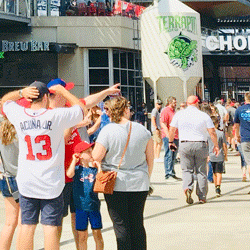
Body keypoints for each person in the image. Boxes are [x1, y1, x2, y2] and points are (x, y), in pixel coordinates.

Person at [0, 80, 120, 250]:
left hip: (27, 181)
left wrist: (20, 93)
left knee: (27, 225)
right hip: (51, 182)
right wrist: (64, 92)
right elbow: (81, 108)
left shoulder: (20, 115)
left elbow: (3, 102)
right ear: (46, 97)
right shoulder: (55, 116)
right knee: (50, 227)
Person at [90, 95, 153, 250]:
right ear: (126, 110)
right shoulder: (142, 130)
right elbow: (150, 159)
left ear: (109, 112)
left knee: (121, 225)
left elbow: (96, 156)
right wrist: (146, 177)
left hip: (116, 182)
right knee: (137, 224)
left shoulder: (108, 130)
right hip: (139, 182)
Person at [169, 94, 216, 204]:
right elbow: (212, 132)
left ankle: (188, 188)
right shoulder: (204, 116)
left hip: (185, 144)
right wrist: (216, 145)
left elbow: (172, 129)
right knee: (201, 171)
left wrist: (171, 141)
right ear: (196, 103)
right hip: (200, 144)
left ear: (187, 103)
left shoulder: (179, 114)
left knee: (187, 170)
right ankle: (202, 196)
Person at [66, 139, 104, 250]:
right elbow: (69, 174)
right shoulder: (77, 170)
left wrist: (99, 167)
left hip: (94, 206)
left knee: (97, 233)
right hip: (80, 207)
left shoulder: (94, 170)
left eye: (90, 150)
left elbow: (101, 182)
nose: (91, 153)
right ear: (80, 155)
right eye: (87, 152)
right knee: (82, 236)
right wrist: (74, 160)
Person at [0, 116, 21, 250]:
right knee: (24, 223)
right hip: (20, 178)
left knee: (10, 222)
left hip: (6, 178)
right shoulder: (19, 132)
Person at [158, 96, 177, 180]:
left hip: (175, 136)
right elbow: (163, 124)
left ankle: (172, 171)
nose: (175, 104)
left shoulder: (174, 111)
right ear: (169, 102)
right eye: (174, 102)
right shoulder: (165, 110)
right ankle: (168, 172)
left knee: (173, 155)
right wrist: (168, 137)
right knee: (169, 154)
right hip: (168, 136)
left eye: (176, 102)